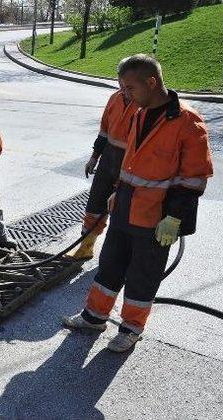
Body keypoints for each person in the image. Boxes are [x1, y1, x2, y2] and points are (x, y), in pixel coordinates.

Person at [63, 54, 213, 352]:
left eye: (129, 88)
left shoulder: (188, 123)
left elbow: (194, 179)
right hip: (125, 205)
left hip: (157, 216)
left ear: (152, 82)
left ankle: (131, 328)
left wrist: (174, 217)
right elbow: (131, 162)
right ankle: (94, 316)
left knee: (143, 273)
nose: (125, 95)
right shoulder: (140, 113)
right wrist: (119, 190)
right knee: (110, 263)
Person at [68, 57, 139, 260]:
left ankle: (119, 254)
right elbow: (104, 133)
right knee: (95, 203)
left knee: (121, 209)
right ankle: (86, 247)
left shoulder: (144, 105)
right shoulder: (114, 99)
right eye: (121, 83)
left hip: (131, 163)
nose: (124, 89)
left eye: (129, 85)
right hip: (109, 158)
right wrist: (94, 158)